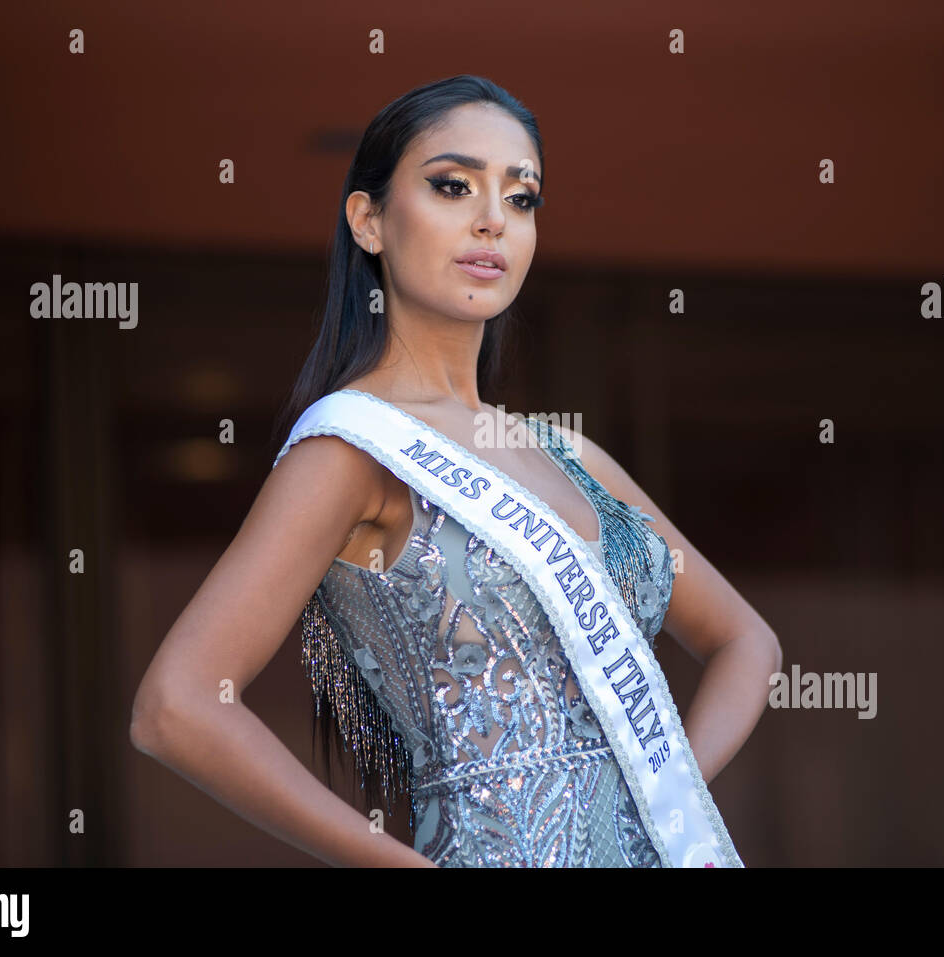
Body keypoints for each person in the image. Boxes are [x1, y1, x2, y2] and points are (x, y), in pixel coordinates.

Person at [130, 74, 781, 867]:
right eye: (452, 186)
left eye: (521, 198)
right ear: (368, 221)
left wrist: (661, 799)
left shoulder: (572, 457)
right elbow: (176, 706)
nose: (491, 221)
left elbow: (748, 640)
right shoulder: (352, 450)